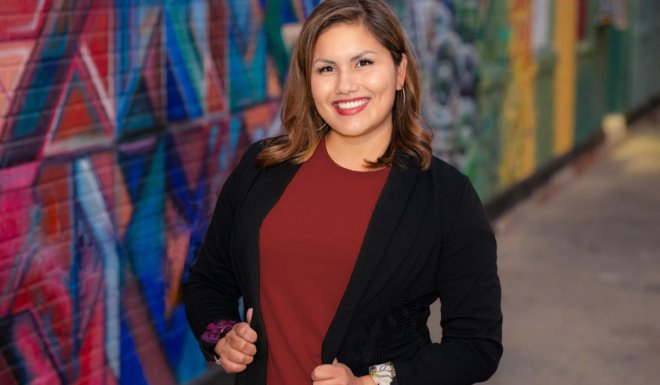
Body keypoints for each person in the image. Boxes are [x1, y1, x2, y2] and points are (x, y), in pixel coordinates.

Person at [183, 0, 503, 384]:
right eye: (327, 68)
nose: (345, 85)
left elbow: (475, 346)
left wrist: (372, 381)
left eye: (364, 62)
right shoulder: (263, 168)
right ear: (308, 80)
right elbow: (209, 282)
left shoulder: (447, 197)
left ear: (400, 71)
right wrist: (220, 336)